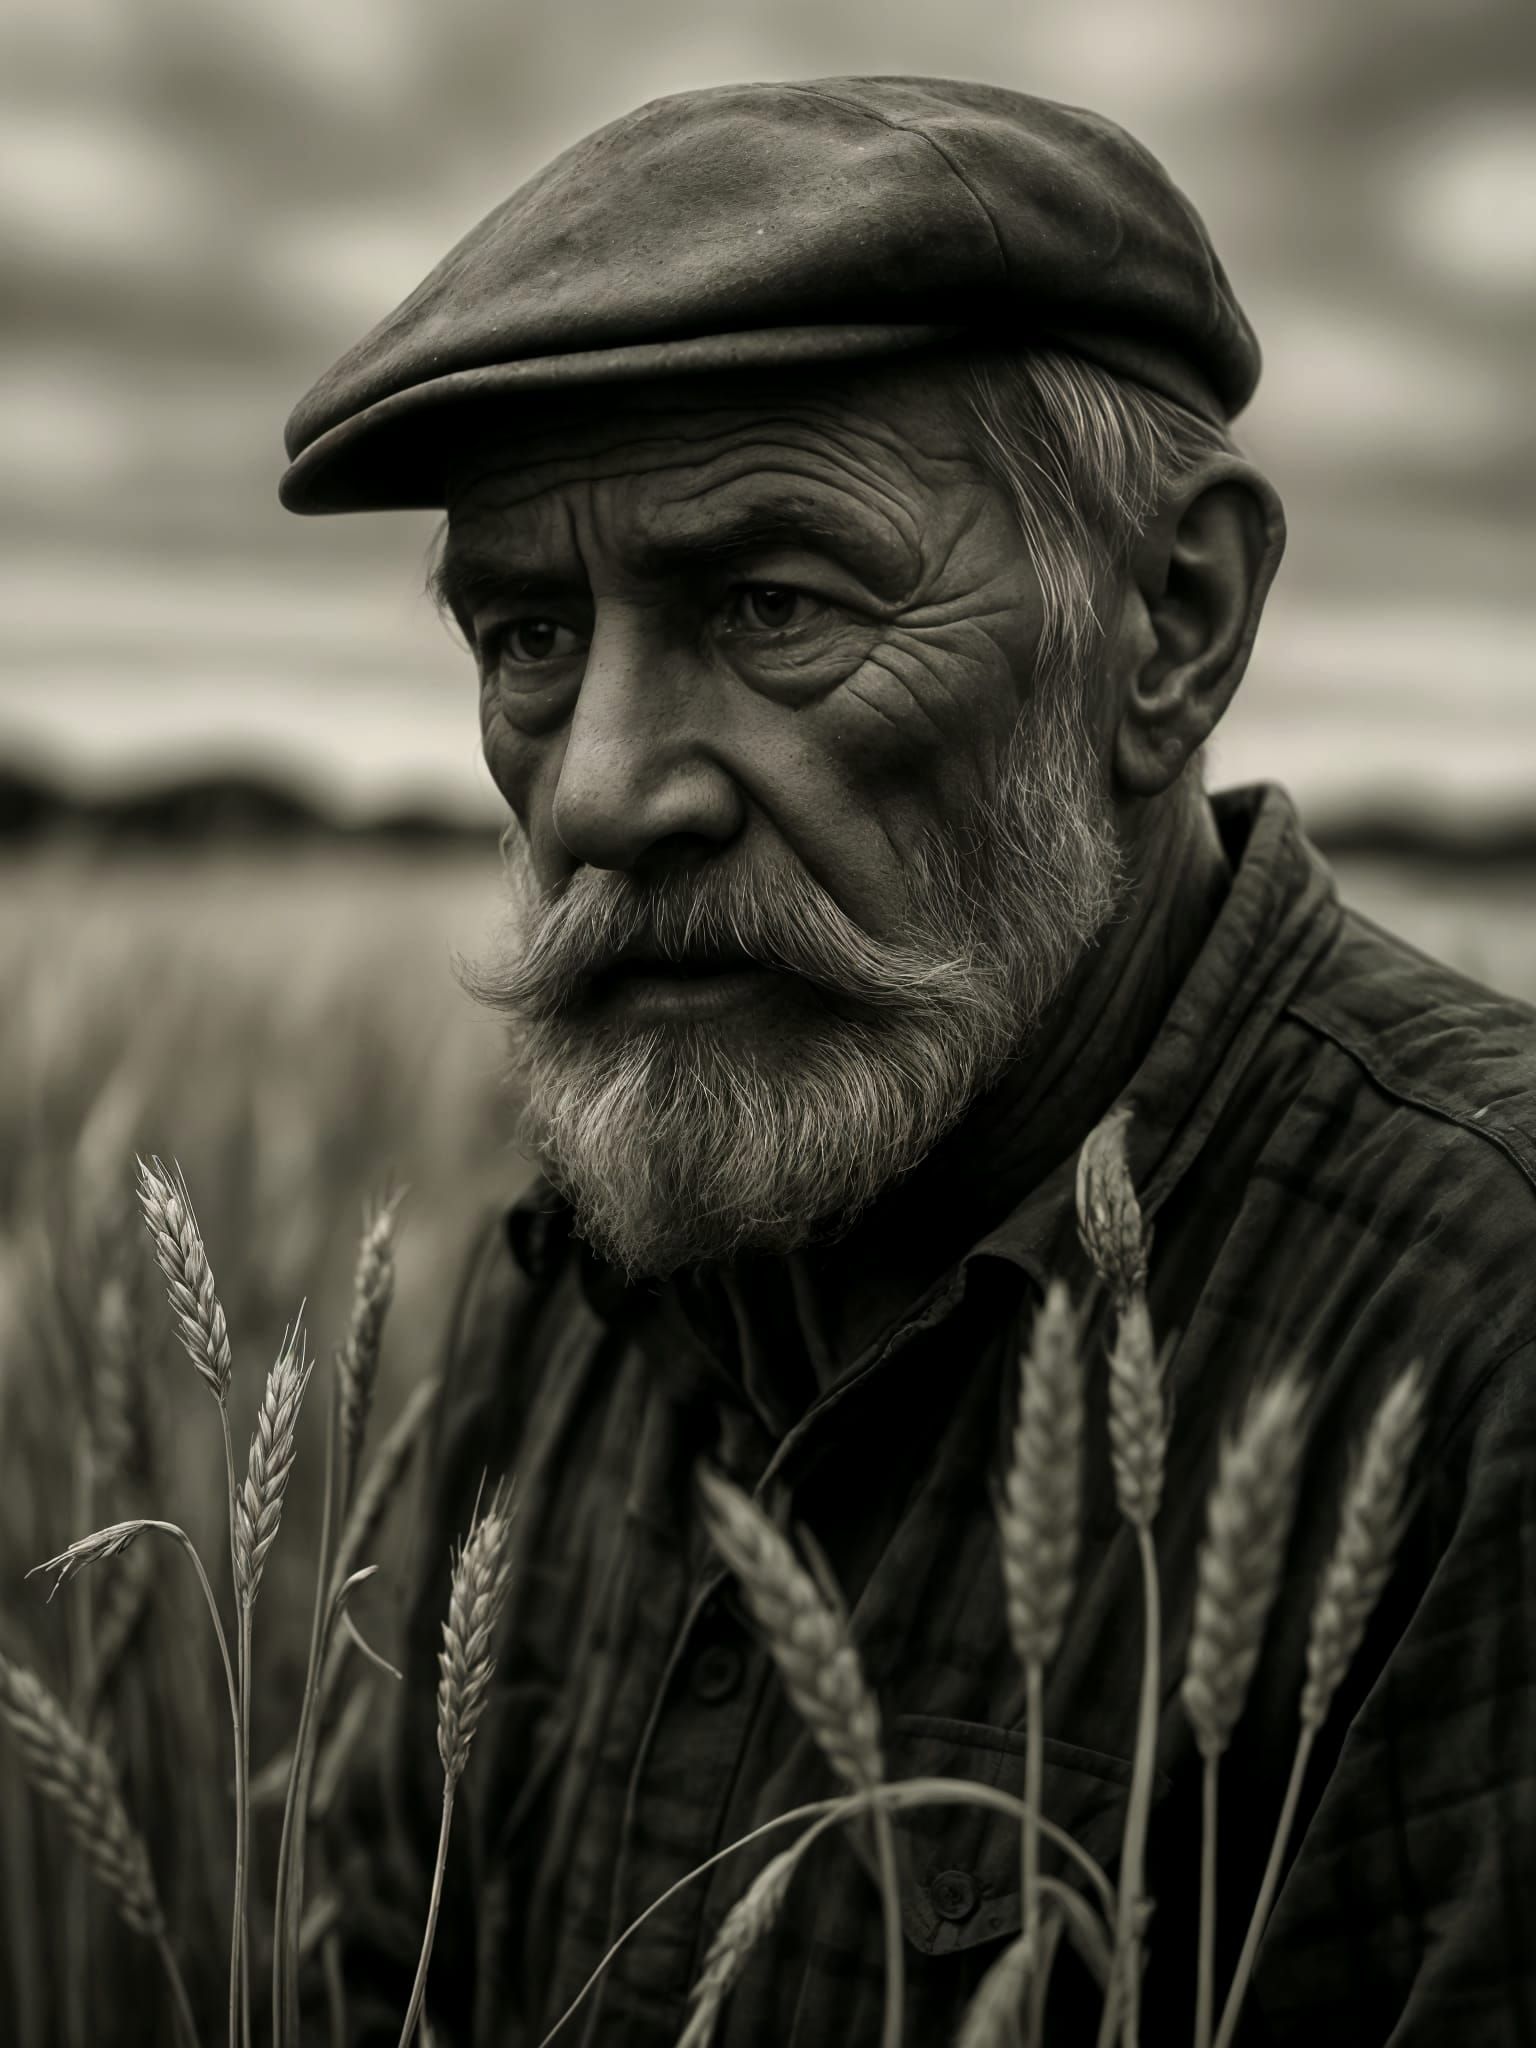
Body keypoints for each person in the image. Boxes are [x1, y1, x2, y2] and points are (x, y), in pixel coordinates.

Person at [280, 78, 1536, 2047]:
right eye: (526, 636)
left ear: (1170, 627)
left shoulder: (1488, 1342)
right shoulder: (570, 1286)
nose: (600, 791)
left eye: (774, 607)